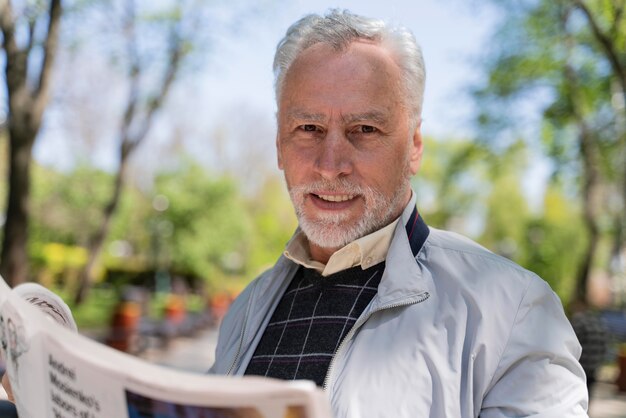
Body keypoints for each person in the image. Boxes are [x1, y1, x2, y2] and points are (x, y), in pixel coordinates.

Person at [208, 9, 589, 417]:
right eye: (309, 129)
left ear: (414, 147)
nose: (330, 164)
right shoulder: (246, 310)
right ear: (280, 145)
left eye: (364, 130)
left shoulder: (512, 311)